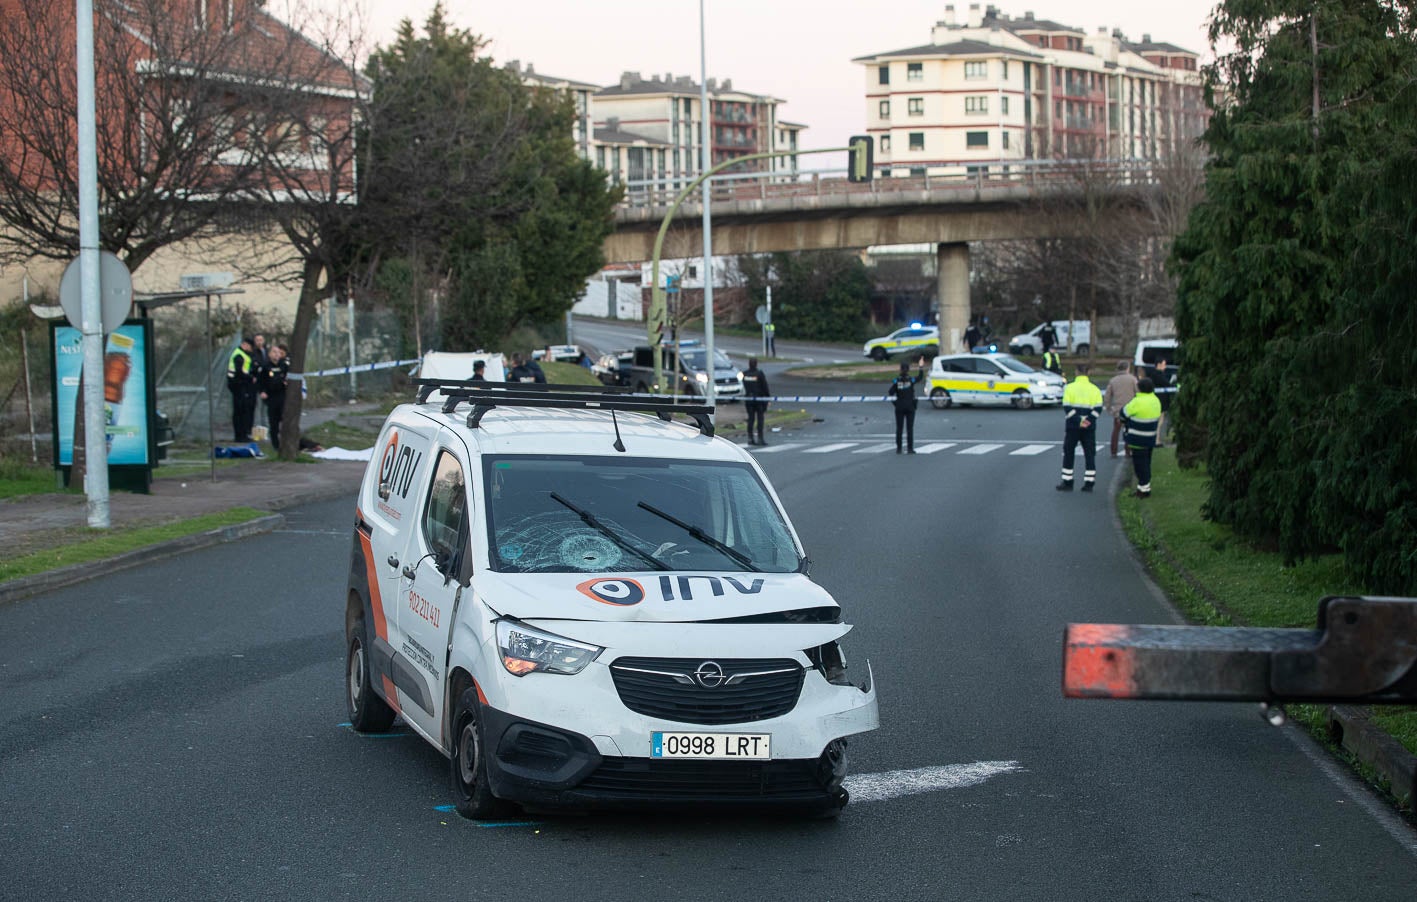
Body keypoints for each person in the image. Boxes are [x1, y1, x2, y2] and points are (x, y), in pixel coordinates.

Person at [1056, 363, 1103, 492]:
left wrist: (1078, 421)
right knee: (1089, 454)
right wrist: (1088, 420)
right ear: (1089, 373)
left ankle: (1067, 481)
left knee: (1069, 452)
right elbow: (1098, 409)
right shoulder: (1095, 389)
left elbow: (1067, 406)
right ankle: (1089, 483)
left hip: (1072, 426)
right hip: (1089, 427)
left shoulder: (1069, 388)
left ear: (1076, 372)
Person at [1122, 377, 1163, 498]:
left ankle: (1144, 490)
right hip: (1150, 437)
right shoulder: (1156, 400)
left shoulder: (1137, 402)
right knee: (1146, 463)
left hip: (1137, 438)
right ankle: (1143, 487)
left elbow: (1123, 414)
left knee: (1140, 465)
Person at [887, 357, 924, 454]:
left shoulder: (897, 381)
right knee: (909, 428)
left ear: (900, 369)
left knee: (899, 428)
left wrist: (895, 403)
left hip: (899, 407)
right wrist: (920, 367)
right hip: (910, 407)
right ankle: (910, 448)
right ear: (908, 370)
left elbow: (890, 393)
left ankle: (899, 448)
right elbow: (920, 377)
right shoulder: (911, 380)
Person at [1103, 360, 1139, 458]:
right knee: (1129, 431)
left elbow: (1107, 396)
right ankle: (1128, 451)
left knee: (1116, 431)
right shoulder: (1133, 380)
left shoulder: (1113, 380)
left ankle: (1113, 452)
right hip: (1130, 409)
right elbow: (1138, 393)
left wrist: (1108, 407)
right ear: (1127, 368)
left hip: (1118, 410)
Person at [226, 336, 259, 441]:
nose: (251, 349)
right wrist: (251, 378)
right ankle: (240, 435)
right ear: (245, 345)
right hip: (238, 385)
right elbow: (240, 372)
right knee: (240, 411)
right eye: (250, 347)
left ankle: (243, 434)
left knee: (243, 410)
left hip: (241, 385)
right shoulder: (239, 355)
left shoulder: (244, 354)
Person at [259, 344, 290, 451]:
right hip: (271, 396)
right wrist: (262, 391)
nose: (277, 355)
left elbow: (288, 377)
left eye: (278, 353)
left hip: (282, 395)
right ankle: (275, 445)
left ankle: (286, 442)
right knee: (273, 422)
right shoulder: (265, 366)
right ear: (269, 354)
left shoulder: (284, 365)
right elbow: (260, 381)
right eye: (274, 352)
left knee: (284, 419)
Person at [741, 357, 770, 446]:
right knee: (760, 419)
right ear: (756, 364)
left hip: (748, 400)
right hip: (759, 399)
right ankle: (760, 438)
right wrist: (767, 398)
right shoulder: (759, 374)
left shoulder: (745, 374)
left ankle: (750, 438)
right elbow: (764, 386)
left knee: (751, 419)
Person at [1151, 358, 1174, 447]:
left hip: (1161, 402)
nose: (1165, 366)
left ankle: (1158, 439)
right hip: (1159, 402)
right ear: (1159, 364)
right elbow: (1167, 384)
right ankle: (1156, 441)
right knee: (1158, 422)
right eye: (1164, 364)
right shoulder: (1157, 375)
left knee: (1160, 422)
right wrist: (1176, 386)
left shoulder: (1158, 374)